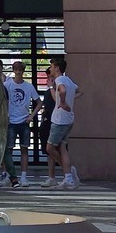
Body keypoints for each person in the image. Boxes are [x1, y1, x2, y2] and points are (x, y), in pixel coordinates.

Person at [0, 61, 38, 188]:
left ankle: (24, 176)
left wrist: (31, 116)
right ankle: (6, 176)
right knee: (8, 150)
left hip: (24, 121)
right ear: (13, 70)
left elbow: (39, 102)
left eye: (21, 70)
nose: (19, 72)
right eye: (17, 70)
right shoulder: (7, 85)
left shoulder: (29, 87)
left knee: (24, 149)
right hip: (11, 121)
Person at [45, 59, 80, 189]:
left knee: (50, 148)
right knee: (62, 147)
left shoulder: (60, 81)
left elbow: (62, 91)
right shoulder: (69, 80)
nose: (50, 69)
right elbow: (80, 91)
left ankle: (68, 174)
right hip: (69, 119)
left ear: (57, 68)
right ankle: (69, 177)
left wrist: (64, 102)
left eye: (52, 67)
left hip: (59, 120)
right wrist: (68, 100)